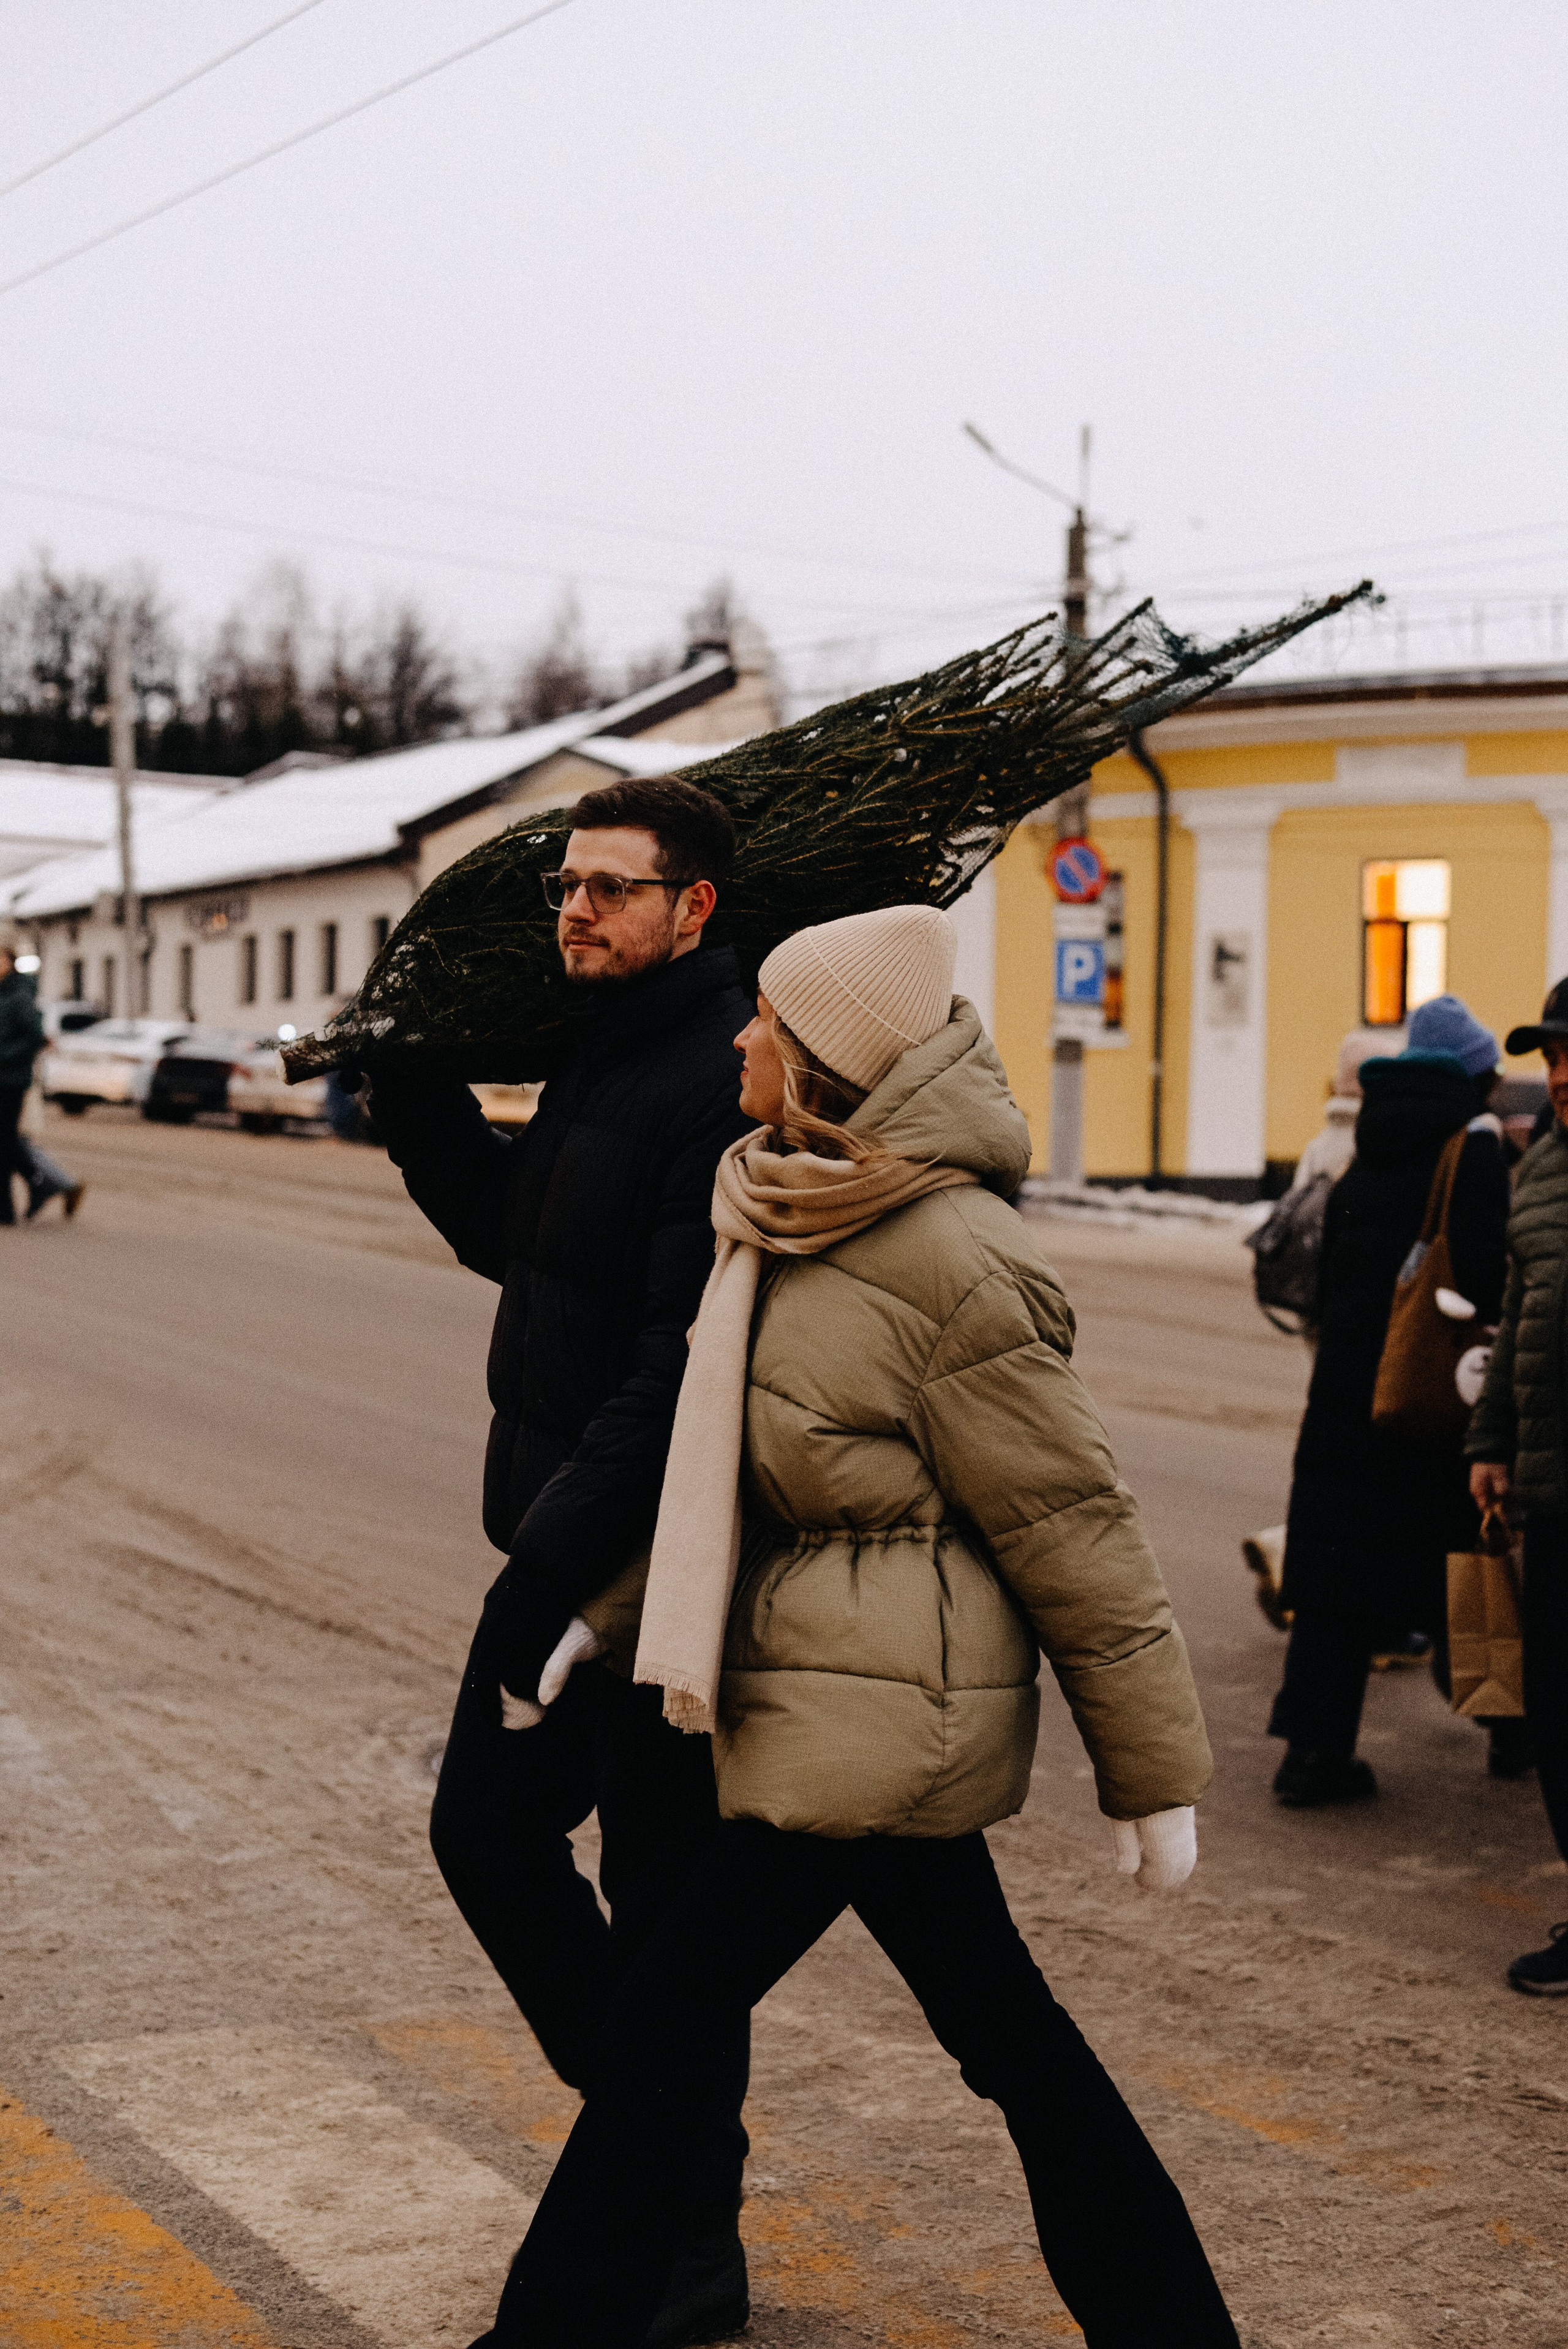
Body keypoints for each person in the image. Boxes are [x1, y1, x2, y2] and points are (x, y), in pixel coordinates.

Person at [478, 905, 1238, 2349]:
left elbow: (1072, 1525)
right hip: (818, 1700)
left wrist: (1153, 1771)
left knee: (650, 2046)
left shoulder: (951, 1256)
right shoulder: (779, 1205)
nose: (740, 1036)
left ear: (823, 1056)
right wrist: (609, 1613)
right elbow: (735, 1474)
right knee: (1012, 2044)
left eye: (765, 1018)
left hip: (877, 1727)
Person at [368, 777, 756, 2348]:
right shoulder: (605, 1052)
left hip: (647, 1580)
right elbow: (532, 1240)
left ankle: (678, 2235)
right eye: (567, 888)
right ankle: (668, 2179)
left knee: (656, 1900)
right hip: (564, 1551)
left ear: (696, 905)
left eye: (609, 887)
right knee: (493, 1838)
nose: (576, 910)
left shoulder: (719, 1074)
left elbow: (674, 1364)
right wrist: (416, 1098)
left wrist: (546, 1568)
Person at [1268, 995, 1511, 1806]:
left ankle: (1311, 1755)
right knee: (1470, 1563)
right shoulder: (1467, 1158)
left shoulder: (1363, 1156)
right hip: (1426, 1408)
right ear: (1474, 1080)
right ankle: (1516, 1735)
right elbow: (1484, 1285)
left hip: (1346, 1403)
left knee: (1336, 1582)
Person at [1466, 976, 1568, 1993]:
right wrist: (1489, 1437)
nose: (1564, 1077)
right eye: (1554, 1059)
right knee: (1551, 1706)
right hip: (1549, 1482)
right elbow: (1516, 1315)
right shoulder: (1540, 1170)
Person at [0, 942, 83, 1226]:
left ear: (10, 962)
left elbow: (34, 1037)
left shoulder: (19, 996)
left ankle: (39, 1187)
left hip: (10, 1080)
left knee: (6, 1141)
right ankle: (32, 1192)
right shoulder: (6, 994)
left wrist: (5, 1057)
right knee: (6, 1142)